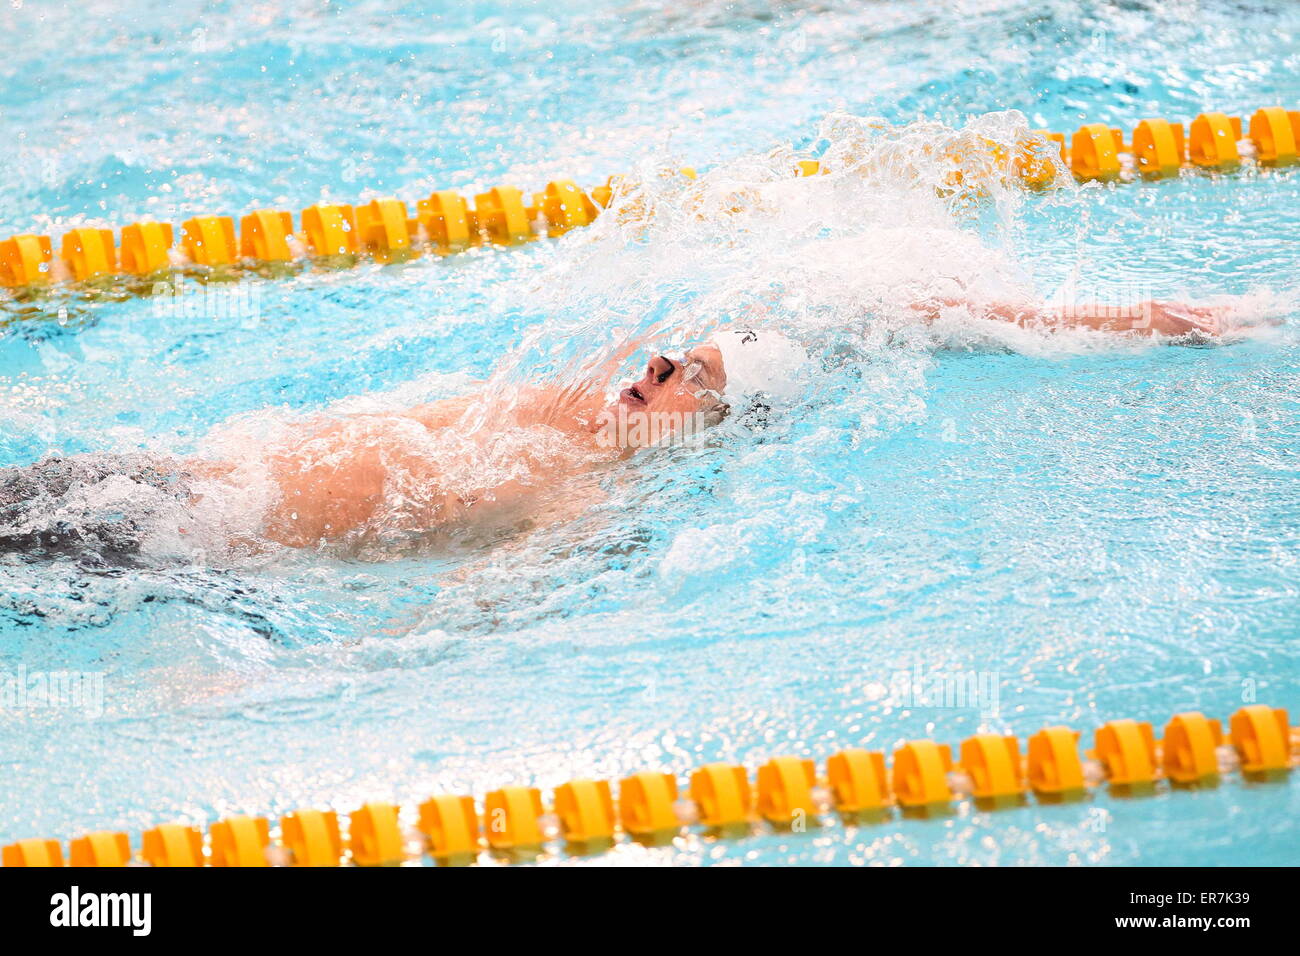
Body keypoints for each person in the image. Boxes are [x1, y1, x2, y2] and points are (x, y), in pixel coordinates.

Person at [0, 293, 1242, 556]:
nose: (650, 373)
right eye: (665, 355)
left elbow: (460, 633)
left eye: (684, 376)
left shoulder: (583, 500)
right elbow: (867, 298)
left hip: (195, 545)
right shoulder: (572, 394)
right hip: (179, 469)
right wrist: (1137, 315)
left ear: (714, 428)